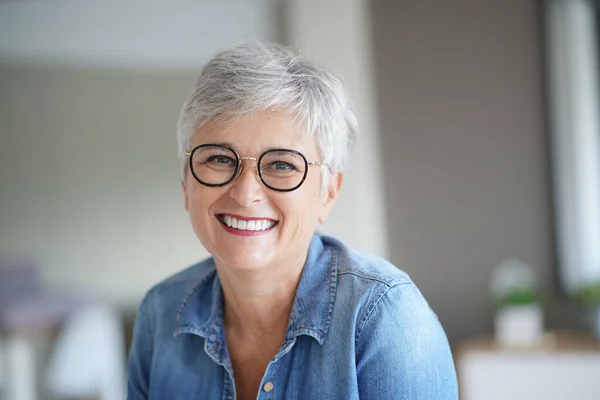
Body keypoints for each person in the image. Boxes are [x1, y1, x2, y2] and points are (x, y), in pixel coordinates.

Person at [127, 42, 458, 400]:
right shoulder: (159, 312)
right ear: (185, 182)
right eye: (220, 158)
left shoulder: (387, 320)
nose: (245, 193)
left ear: (328, 191)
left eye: (282, 164)